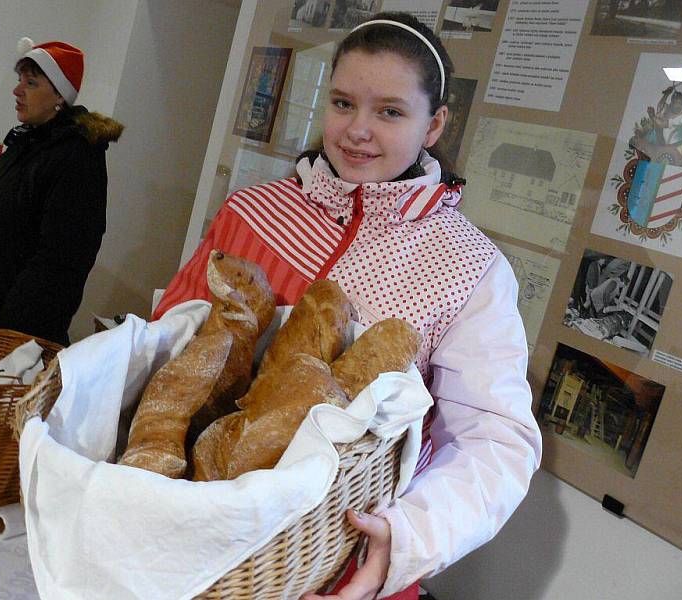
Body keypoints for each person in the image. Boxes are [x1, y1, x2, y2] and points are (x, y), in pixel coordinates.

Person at [153, 12, 541, 599]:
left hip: (335, 563)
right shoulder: (253, 212)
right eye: (341, 104)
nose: (357, 130)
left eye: (389, 111)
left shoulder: (468, 267)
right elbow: (169, 348)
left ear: (434, 125)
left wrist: (405, 537)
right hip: (189, 528)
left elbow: (495, 440)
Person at [0, 39, 123, 345]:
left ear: (59, 96)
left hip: (21, 335)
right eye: (19, 81)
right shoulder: (26, 141)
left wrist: (10, 326)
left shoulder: (77, 156)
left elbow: (61, 259)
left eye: (31, 82)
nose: (17, 91)